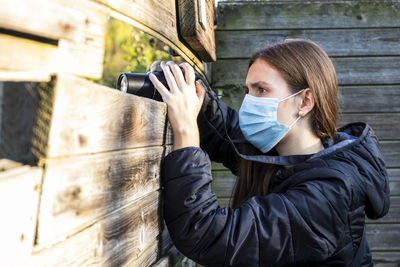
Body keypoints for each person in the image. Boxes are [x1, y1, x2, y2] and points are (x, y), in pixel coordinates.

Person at [148, 39, 390, 266]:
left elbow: (206, 233)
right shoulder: (283, 154)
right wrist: (189, 87)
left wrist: (185, 128)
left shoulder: (329, 196)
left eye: (261, 90)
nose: (249, 103)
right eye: (248, 91)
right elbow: (226, 132)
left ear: (305, 101)